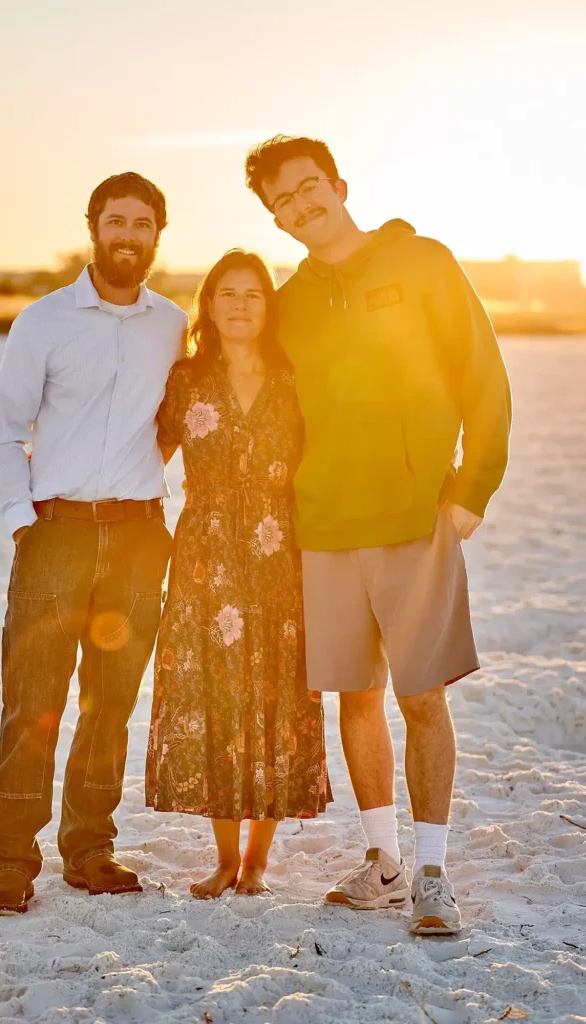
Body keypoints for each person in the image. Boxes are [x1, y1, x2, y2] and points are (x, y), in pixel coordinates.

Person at [245, 136, 512, 934]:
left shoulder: (422, 262)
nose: (300, 208)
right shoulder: (287, 303)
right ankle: (384, 865)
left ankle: (433, 874)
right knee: (354, 700)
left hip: (411, 519)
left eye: (307, 189)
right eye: (281, 202)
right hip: (322, 529)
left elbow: (482, 376)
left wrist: (473, 491)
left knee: (420, 697)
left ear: (337, 184)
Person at [0, 172, 187, 915]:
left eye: (141, 224)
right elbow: (5, 429)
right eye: (115, 221)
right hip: (54, 534)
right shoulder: (43, 320)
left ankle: (90, 848)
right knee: (31, 700)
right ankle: (9, 861)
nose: (127, 235)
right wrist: (22, 522)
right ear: (94, 226)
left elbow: (170, 423)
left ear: (157, 234)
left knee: (109, 705)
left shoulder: (172, 323)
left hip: (138, 539)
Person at [145, 249, 332, 899]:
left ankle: (257, 860)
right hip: (205, 559)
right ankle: (225, 858)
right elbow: (148, 455)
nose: (239, 304)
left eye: (252, 293)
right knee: (218, 699)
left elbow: (329, 455)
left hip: (282, 556)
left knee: (276, 701)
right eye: (226, 292)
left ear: (267, 304)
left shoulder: (293, 376)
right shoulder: (187, 380)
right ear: (209, 303)